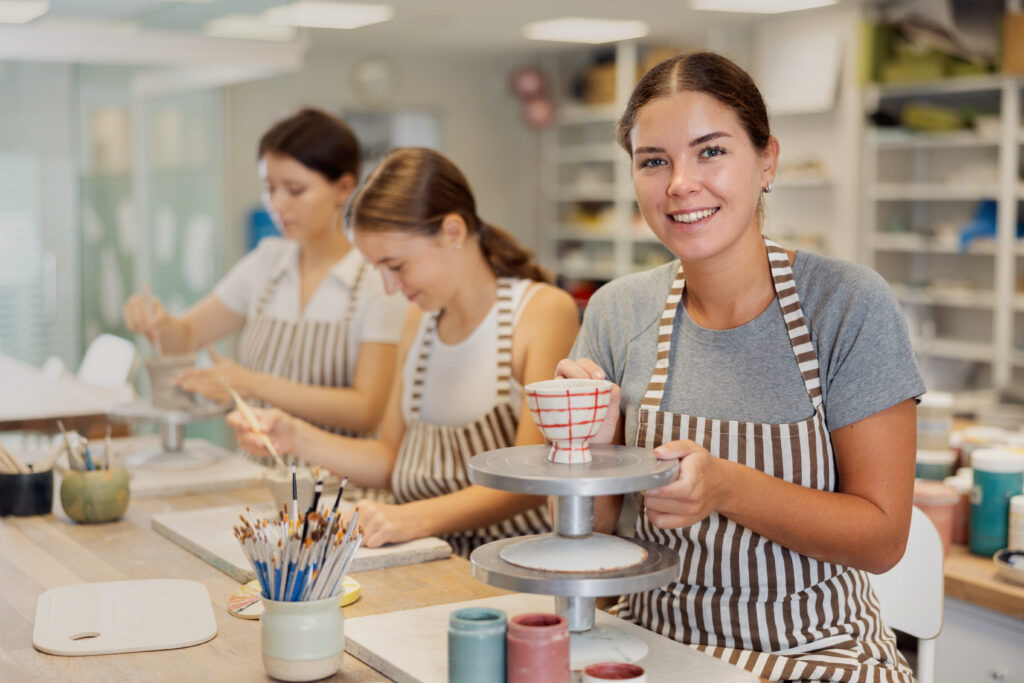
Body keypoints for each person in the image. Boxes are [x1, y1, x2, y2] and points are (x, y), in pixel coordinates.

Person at [557, 52, 923, 683]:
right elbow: (596, 539)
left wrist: (727, 488)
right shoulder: (618, 311)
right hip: (649, 646)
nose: (679, 183)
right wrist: (585, 452)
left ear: (768, 161)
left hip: (814, 654)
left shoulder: (848, 305)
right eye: (654, 161)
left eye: (711, 151)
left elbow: (883, 539)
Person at [229, 147, 580, 556]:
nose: (390, 286)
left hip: (506, 564)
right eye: (379, 269)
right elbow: (389, 460)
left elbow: (531, 482)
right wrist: (295, 436)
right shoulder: (419, 321)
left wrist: (410, 518)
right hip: (424, 553)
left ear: (452, 232)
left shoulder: (541, 312)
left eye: (395, 265)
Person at [123, 109, 407, 452]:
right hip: (257, 474)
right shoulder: (267, 263)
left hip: (334, 488)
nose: (277, 204)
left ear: (344, 188)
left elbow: (365, 411)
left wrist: (252, 383)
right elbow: (184, 337)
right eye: (269, 188)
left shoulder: (376, 280)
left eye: (295, 190)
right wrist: (157, 320)